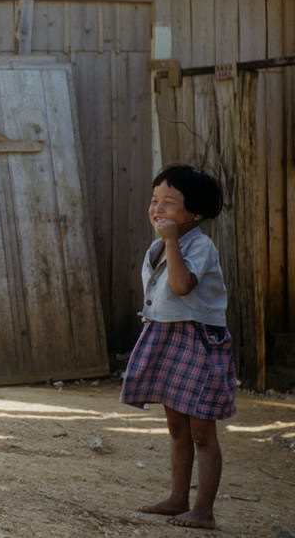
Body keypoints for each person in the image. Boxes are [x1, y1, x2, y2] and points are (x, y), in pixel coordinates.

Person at [120, 164, 234, 530]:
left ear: (195, 213)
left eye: (169, 203)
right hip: (167, 336)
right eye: (154, 200)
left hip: (199, 341)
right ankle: (177, 498)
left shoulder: (199, 245)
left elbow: (182, 286)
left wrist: (171, 241)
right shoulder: (157, 247)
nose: (157, 209)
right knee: (176, 428)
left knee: (202, 430)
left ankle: (204, 510)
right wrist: (166, 241)